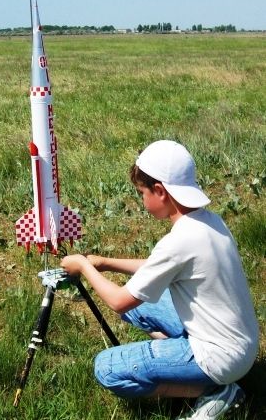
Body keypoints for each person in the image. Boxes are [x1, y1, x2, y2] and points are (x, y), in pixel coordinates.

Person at [60, 140, 259, 420]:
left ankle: (212, 391)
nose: (141, 201)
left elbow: (119, 302)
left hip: (220, 358)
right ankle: (181, 362)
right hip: (239, 343)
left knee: (107, 369)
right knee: (142, 305)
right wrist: (104, 263)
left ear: (160, 191)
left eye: (142, 193)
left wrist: (82, 265)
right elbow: (157, 268)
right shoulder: (209, 221)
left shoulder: (179, 241)